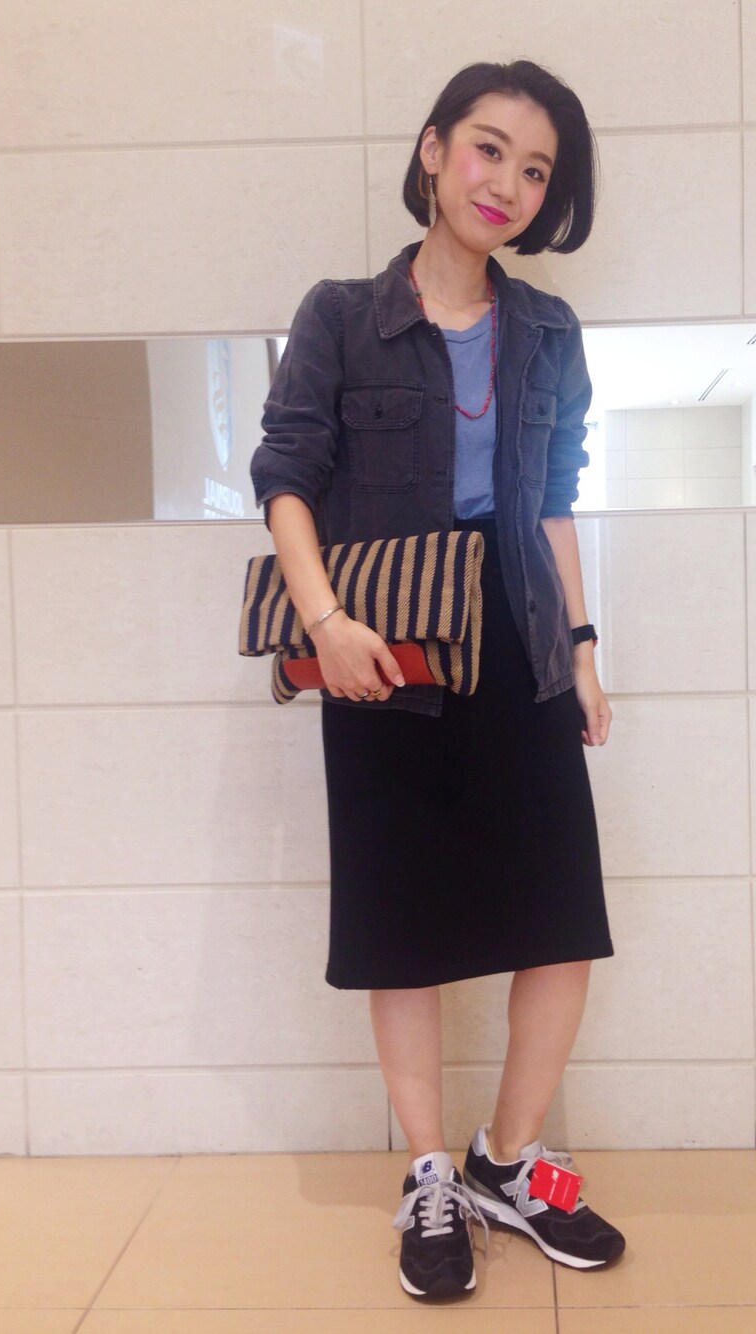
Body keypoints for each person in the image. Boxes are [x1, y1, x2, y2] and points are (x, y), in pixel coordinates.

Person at [250, 58, 624, 1301]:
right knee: (401, 924)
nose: (507, 182)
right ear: (431, 150)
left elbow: (554, 498)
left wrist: (582, 648)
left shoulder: (549, 331)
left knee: (560, 917)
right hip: (383, 649)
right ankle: (427, 1172)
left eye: (535, 169)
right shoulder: (340, 315)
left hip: (518, 638)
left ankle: (504, 1161)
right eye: (488, 148)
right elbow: (286, 472)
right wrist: (326, 619)